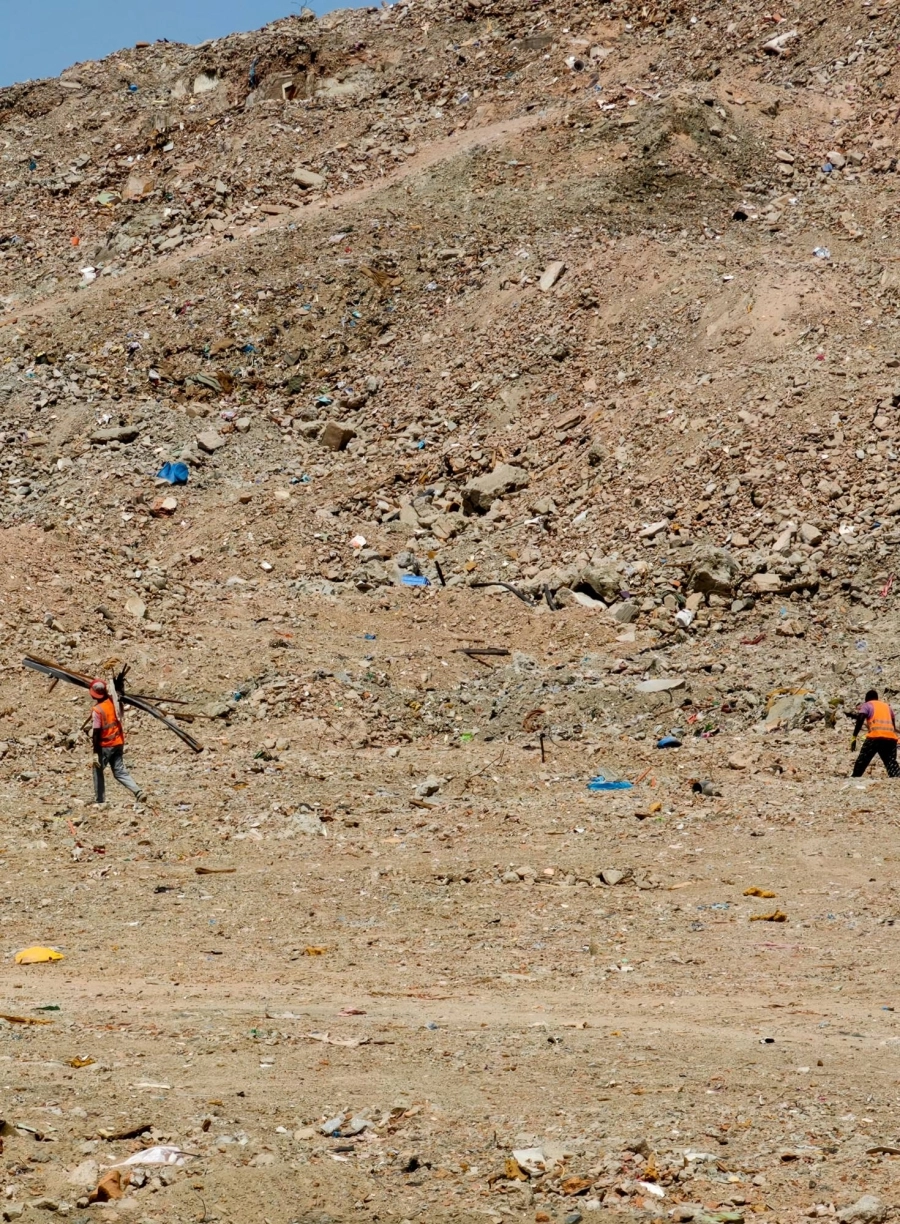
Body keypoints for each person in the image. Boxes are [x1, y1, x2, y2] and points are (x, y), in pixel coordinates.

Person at [90, 679, 144, 802]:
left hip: (105, 745)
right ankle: (137, 791)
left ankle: (100, 800)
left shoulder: (98, 710)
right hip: (118, 742)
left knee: (97, 770)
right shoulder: (112, 701)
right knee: (119, 771)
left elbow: (96, 733)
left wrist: (95, 753)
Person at [851, 689, 900, 778]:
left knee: (863, 759)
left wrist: (854, 736)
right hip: (890, 738)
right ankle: (896, 778)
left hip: (875, 737)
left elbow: (861, 718)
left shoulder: (867, 705)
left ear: (867, 699)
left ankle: (855, 777)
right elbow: (892, 724)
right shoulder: (887, 707)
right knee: (891, 761)